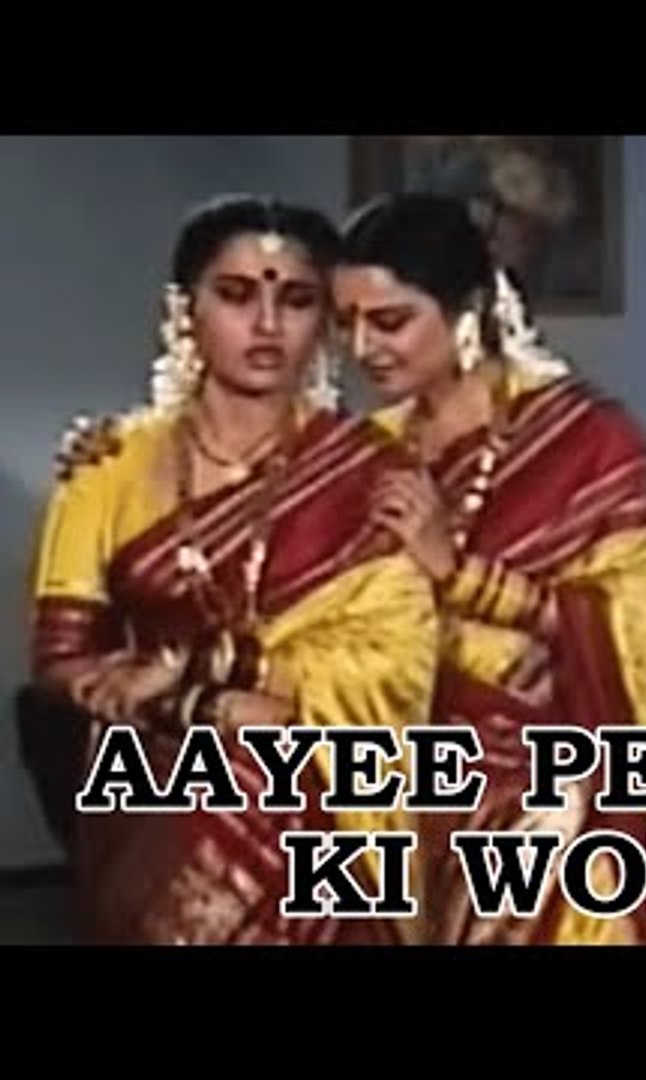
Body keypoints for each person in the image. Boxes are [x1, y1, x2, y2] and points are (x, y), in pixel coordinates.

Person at [19, 195, 440, 946]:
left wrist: (204, 679)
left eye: (297, 300)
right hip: (152, 786)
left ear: (327, 324)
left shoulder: (373, 473)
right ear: (185, 311)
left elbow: (398, 660)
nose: (268, 324)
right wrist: (188, 707)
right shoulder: (107, 466)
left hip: (320, 789)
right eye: (238, 295)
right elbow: (58, 662)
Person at [332, 193, 646, 946]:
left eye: (391, 321)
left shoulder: (591, 443)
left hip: (549, 777)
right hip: (392, 776)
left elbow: (633, 640)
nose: (364, 347)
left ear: (468, 312)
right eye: (348, 323)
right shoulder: (363, 453)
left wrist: (457, 574)